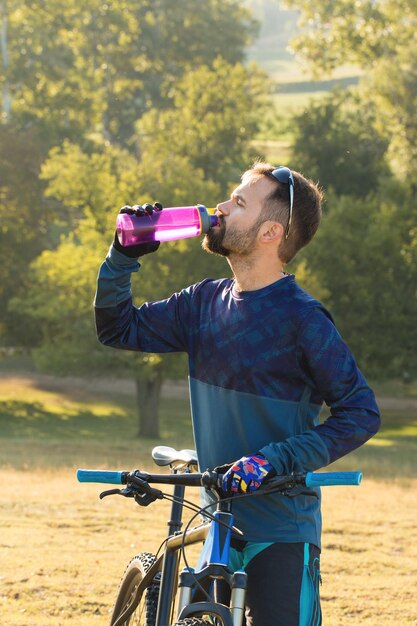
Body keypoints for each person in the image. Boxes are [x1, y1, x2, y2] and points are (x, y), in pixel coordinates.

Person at [94, 162, 380, 626]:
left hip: (281, 528)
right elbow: (116, 328)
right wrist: (123, 256)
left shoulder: (304, 319)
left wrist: (272, 460)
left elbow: (361, 413)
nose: (220, 208)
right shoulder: (202, 302)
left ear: (271, 232)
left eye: (239, 202)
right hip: (216, 520)